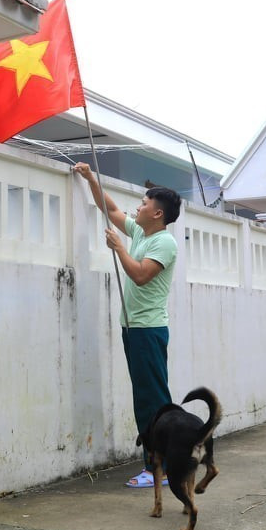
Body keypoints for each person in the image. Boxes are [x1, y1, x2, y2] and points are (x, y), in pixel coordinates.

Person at [73, 162, 181, 488]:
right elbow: (112, 208)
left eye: (145, 203)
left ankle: (158, 468)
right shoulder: (140, 232)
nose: (139, 206)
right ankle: (157, 465)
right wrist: (91, 178)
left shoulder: (164, 243)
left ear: (158, 213)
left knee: (153, 400)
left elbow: (141, 275)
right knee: (144, 397)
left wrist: (118, 248)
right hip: (134, 329)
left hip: (147, 330)